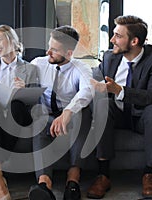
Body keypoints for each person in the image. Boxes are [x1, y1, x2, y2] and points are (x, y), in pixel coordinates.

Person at [88, 15, 152, 199]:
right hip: (116, 114)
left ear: (134, 41)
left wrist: (120, 90)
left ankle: (149, 174)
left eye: (117, 36)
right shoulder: (110, 57)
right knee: (103, 104)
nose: (112, 40)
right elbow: (98, 81)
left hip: (142, 116)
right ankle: (103, 175)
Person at [28, 25, 93, 200]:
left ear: (69, 53)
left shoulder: (81, 68)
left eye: (55, 50)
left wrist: (68, 112)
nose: (48, 52)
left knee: (84, 112)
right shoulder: (38, 63)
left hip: (70, 119)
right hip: (47, 118)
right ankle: (44, 185)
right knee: (39, 119)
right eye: (49, 46)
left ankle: (73, 182)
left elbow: (87, 90)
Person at [0, 24, 39, 200]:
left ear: (11, 41)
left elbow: (36, 101)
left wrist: (25, 89)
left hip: (18, 114)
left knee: (16, 103)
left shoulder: (31, 69)